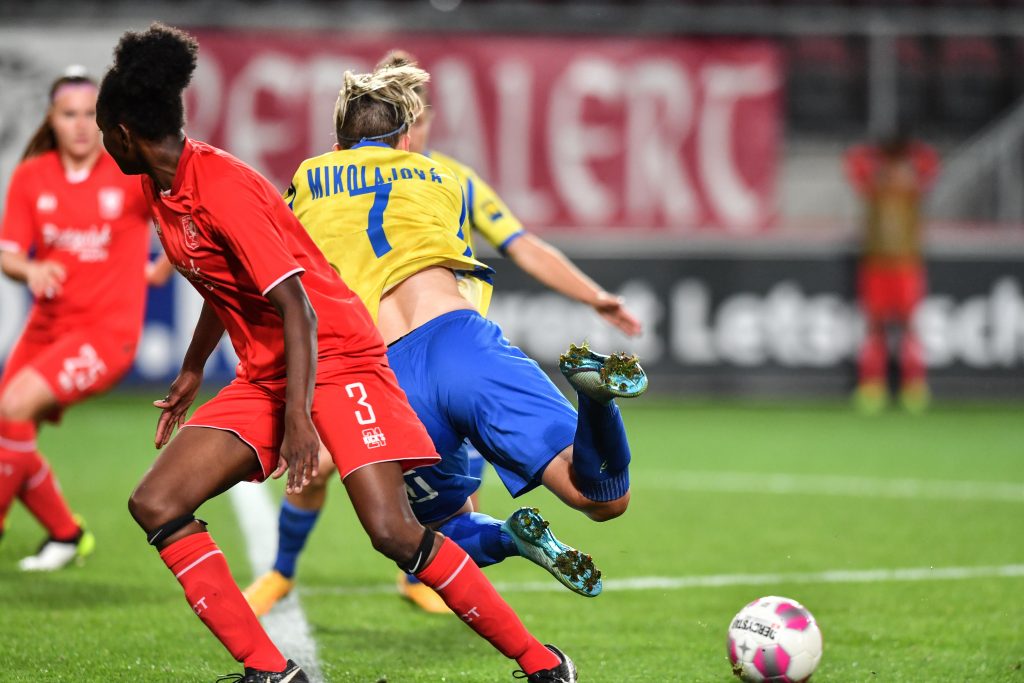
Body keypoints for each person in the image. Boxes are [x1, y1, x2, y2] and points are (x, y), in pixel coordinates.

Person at [96, 23, 575, 683]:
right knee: (157, 502)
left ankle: (543, 662)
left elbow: (295, 301)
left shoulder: (222, 185)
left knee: (393, 532)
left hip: (337, 354)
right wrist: (191, 368)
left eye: (102, 133)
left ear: (122, 132)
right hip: (272, 369)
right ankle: (271, 671)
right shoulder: (160, 189)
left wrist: (299, 418)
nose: (102, 144)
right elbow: (220, 279)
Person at [244, 50, 644, 617]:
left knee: (415, 536)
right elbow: (516, 243)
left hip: (387, 376)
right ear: (407, 138)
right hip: (463, 342)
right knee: (602, 499)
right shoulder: (445, 178)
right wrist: (595, 296)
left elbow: (275, 274)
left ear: (337, 143)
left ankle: (507, 538)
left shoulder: (308, 179)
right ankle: (595, 399)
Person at [0, 66, 155, 571]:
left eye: (91, 114)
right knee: (7, 425)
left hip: (105, 335)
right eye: (70, 114)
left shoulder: (130, 172)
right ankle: (66, 535)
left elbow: (193, 210)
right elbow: (8, 255)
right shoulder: (32, 176)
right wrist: (32, 267)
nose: (82, 125)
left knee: (15, 407)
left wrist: (171, 262)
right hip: (45, 330)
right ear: (52, 118)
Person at [844, 127, 939, 414]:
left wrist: (908, 151)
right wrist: (879, 153)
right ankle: (872, 386)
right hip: (876, 266)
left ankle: (914, 387)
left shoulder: (912, 188)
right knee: (875, 328)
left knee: (910, 328)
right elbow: (853, 162)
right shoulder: (875, 187)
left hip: (907, 265)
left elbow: (931, 163)